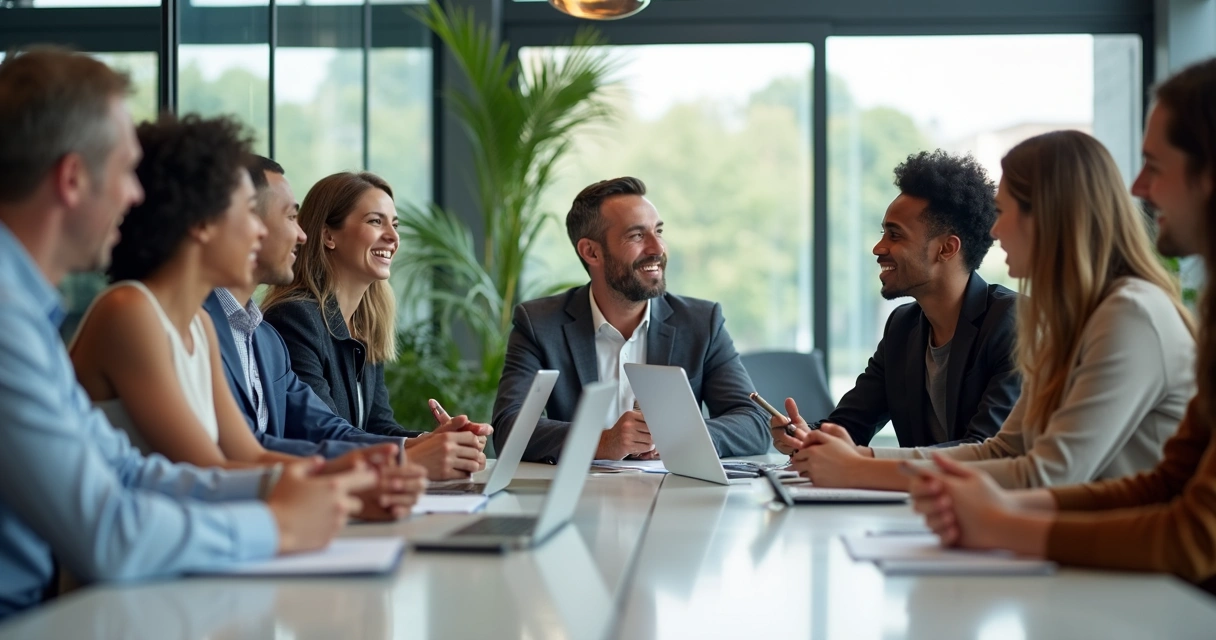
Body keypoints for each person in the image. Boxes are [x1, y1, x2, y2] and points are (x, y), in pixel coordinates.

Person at [0, 47, 384, 621]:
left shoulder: (28, 315)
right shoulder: (21, 322)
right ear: (74, 178)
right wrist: (277, 522)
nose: (135, 196)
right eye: (125, 171)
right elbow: (111, 532)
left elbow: (128, 471)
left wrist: (314, 482)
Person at [908, 58, 1216, 594]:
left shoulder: (1132, 313)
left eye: (1154, 164)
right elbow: (1168, 484)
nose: (1139, 187)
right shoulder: (1083, 318)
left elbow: (1193, 533)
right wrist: (991, 508)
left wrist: (1002, 520)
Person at [792, 131, 1196, 491]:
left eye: (1003, 213)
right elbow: (1002, 451)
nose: (994, 231)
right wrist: (860, 459)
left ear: (1049, 218)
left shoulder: (1129, 314)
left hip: (1136, 566)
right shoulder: (1072, 320)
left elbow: (1046, 475)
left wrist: (859, 471)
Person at [206, 157, 492, 480]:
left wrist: (429, 444)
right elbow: (311, 437)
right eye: (375, 221)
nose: (392, 237)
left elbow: (361, 426)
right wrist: (407, 457)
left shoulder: (268, 338)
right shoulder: (290, 319)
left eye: (394, 225)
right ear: (328, 236)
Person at [492, 176, 769, 463]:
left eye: (658, 231)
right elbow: (510, 428)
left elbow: (753, 423)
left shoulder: (701, 322)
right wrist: (602, 442)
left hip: (675, 499)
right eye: (637, 235)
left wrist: (678, 435)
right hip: (580, 501)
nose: (657, 248)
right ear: (591, 252)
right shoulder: (539, 324)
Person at [770, 151, 1020, 457]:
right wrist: (806, 437)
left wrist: (867, 460)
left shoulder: (1013, 322)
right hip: (918, 501)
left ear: (946, 248)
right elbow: (851, 424)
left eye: (895, 235)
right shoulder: (903, 326)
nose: (879, 247)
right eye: (882, 233)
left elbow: (985, 450)